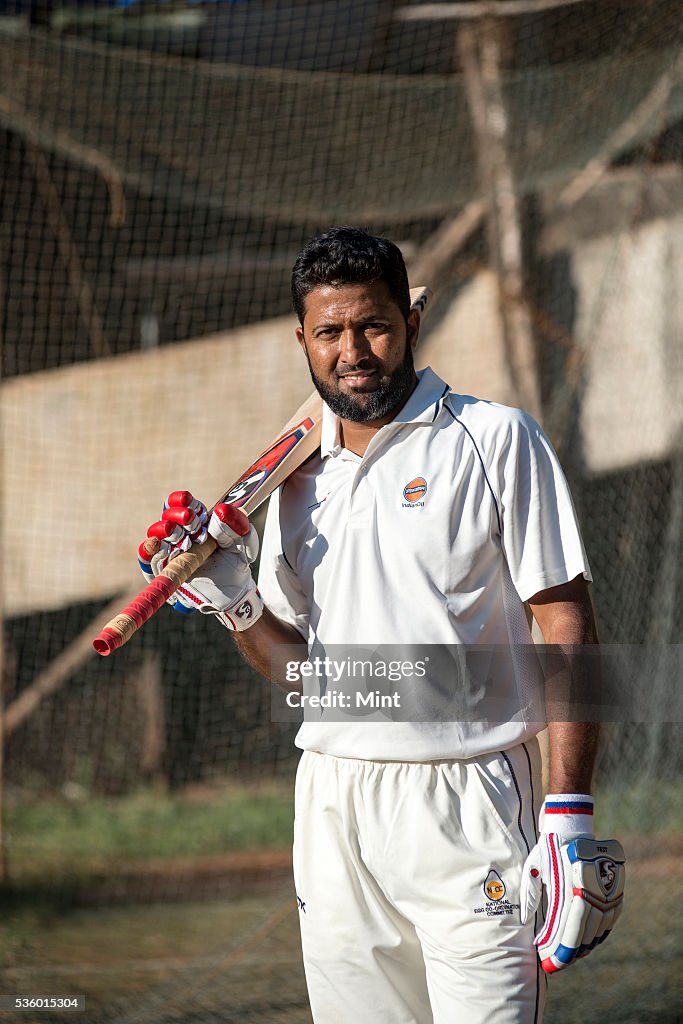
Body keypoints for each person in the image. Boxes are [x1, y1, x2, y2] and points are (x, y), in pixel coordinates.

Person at [139, 227, 624, 1024]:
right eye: (329, 332)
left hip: (470, 794)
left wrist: (568, 813)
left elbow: (564, 616)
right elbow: (300, 676)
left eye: (373, 325)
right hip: (334, 800)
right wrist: (236, 602)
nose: (353, 350)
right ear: (303, 339)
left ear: (410, 324)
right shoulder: (294, 484)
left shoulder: (493, 439)